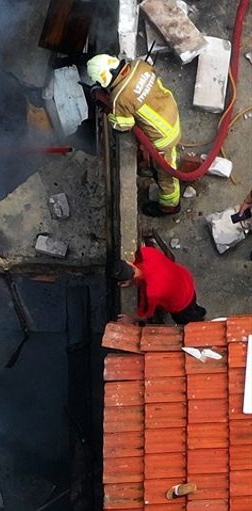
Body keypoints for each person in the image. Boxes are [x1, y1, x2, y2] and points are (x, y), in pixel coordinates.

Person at [88, 54, 183, 217]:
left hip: (163, 137)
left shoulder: (120, 97)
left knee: (165, 173)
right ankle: (151, 166)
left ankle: (170, 206)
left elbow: (123, 125)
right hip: (170, 113)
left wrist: (110, 110)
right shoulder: (139, 66)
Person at [113, 246, 205, 324]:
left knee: (191, 324)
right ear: (128, 262)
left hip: (181, 303)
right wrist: (131, 278)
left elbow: (146, 314)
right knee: (194, 306)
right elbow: (138, 268)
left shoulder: (150, 292)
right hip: (185, 280)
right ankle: (200, 312)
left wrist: (131, 319)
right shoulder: (145, 252)